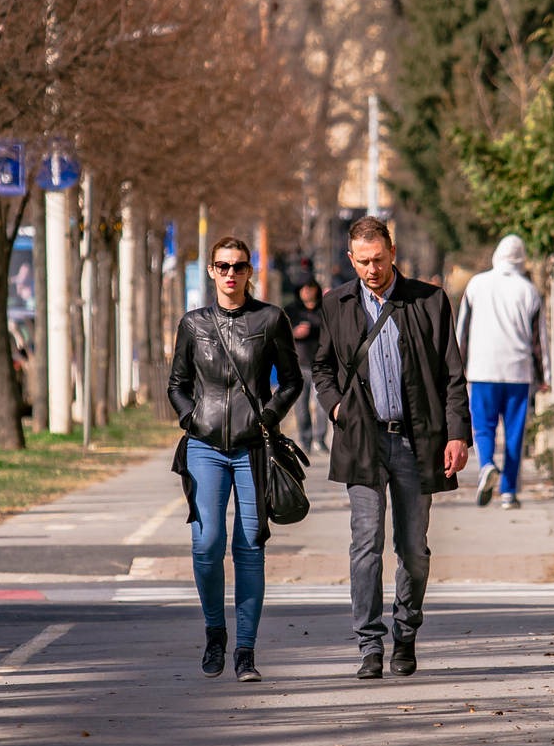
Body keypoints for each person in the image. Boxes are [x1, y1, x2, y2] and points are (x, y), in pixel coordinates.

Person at [311, 216, 471, 680]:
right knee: (366, 543)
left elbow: (451, 374)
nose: (372, 269)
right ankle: (369, 645)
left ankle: (406, 632)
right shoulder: (335, 303)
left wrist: (457, 433)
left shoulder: (428, 300)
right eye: (362, 262)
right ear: (350, 259)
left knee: (413, 549)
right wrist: (336, 407)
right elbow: (321, 368)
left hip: (415, 439)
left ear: (393, 252)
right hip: (362, 439)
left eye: (379, 259)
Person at [168, 237, 303, 682]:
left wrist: (266, 415)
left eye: (239, 266)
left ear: (250, 272)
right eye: (222, 266)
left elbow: (291, 381)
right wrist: (192, 418)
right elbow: (177, 383)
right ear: (211, 271)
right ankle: (214, 632)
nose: (230, 274)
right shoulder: (193, 324)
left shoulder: (271, 319)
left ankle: (246, 651)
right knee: (206, 544)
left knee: (249, 548)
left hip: (252, 450)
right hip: (205, 447)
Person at [456, 234, 550, 511]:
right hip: (518, 372)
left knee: (483, 426)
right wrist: (544, 376)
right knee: (514, 433)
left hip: (482, 369)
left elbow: (463, 329)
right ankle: (509, 492)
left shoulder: (476, 284)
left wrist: (458, 367)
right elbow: (539, 339)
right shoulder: (529, 290)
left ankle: (486, 465)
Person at [284, 277, 328, 455]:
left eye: (310, 287)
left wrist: (315, 330)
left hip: (321, 364)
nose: (307, 290)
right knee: (301, 407)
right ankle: (305, 440)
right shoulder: (291, 310)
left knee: (322, 405)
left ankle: (320, 440)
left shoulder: (325, 309)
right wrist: (294, 333)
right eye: (303, 287)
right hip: (298, 364)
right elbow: (280, 334)